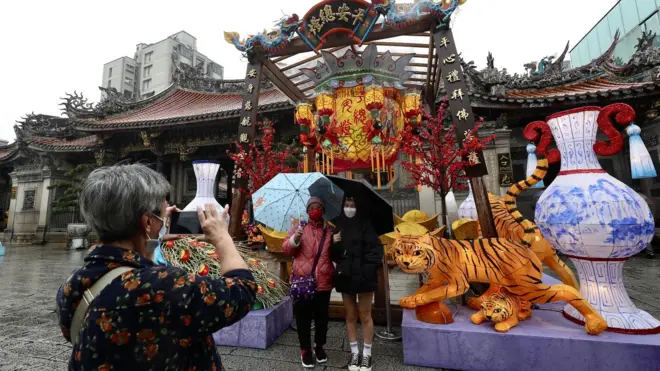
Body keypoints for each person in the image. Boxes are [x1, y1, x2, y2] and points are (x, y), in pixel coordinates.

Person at [56, 163, 257, 370]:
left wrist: (153, 236)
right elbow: (242, 290)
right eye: (160, 216)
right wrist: (223, 237)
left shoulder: (73, 284)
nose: (163, 221)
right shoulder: (164, 286)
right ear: (147, 222)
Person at [331, 196, 383, 371]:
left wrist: (367, 269)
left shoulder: (367, 224)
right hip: (345, 276)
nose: (349, 207)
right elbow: (334, 255)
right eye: (346, 204)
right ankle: (354, 352)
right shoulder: (339, 224)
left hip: (364, 276)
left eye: (353, 205)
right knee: (351, 315)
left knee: (365, 314)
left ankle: (366, 354)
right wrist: (334, 243)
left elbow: (376, 251)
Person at [283, 196, 335, 368]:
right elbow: (287, 249)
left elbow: (335, 254)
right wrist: (295, 239)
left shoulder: (330, 231)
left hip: (324, 281)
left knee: (322, 319)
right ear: (307, 210)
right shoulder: (298, 228)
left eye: (318, 206)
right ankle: (305, 349)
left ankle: (319, 346)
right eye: (312, 206)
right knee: (303, 318)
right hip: (303, 281)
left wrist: (336, 244)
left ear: (323, 210)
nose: (315, 209)